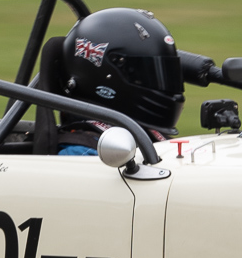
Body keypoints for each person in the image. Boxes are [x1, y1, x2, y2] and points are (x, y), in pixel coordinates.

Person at [33, 8, 185, 155]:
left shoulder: (146, 134)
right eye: (147, 73)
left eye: (164, 72)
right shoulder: (83, 152)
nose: (161, 83)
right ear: (106, 76)